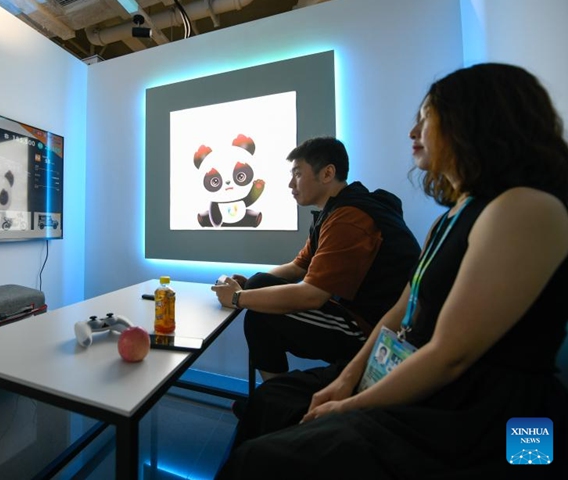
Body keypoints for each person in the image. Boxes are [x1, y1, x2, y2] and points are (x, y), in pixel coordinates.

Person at [215, 63, 568, 479]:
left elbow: (451, 357)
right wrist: (347, 379)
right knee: (270, 399)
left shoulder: (526, 208)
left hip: (488, 412)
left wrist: (347, 404)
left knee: (261, 459)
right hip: (407, 360)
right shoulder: (451, 216)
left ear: (475, 119)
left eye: (426, 119)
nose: (413, 133)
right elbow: (398, 310)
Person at [212, 137, 421, 382]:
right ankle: (273, 401)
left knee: (260, 316)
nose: (291, 184)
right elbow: (297, 267)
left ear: (327, 173)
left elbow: (312, 295)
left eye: (298, 174)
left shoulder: (349, 217)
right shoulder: (334, 212)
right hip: (357, 316)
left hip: (375, 332)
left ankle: (273, 400)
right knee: (259, 284)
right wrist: (249, 284)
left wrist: (238, 297)